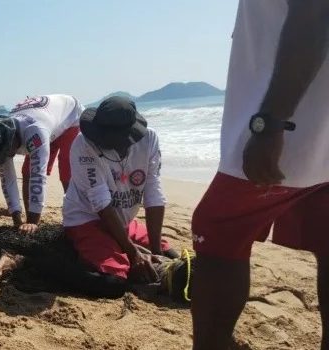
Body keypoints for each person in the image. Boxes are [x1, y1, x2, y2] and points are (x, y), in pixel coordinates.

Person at [190, 1, 329, 349]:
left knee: (218, 230)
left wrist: (269, 123)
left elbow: (311, 17)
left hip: (297, 127)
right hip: (316, 130)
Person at [62, 96, 178, 285]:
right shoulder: (83, 145)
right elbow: (101, 203)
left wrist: (156, 251)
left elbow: (153, 191)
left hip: (122, 221)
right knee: (116, 279)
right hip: (86, 219)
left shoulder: (149, 139)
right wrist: (133, 253)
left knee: (168, 253)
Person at [0, 94, 83, 234]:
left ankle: (75, 219)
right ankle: (29, 220)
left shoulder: (34, 131)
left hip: (70, 118)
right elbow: (7, 179)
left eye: (7, 151)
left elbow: (38, 177)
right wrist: (17, 219)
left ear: (12, 139)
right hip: (48, 122)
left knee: (66, 174)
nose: (7, 156)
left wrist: (33, 222)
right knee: (26, 173)